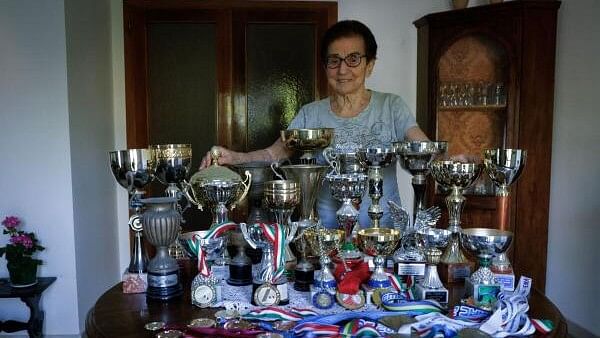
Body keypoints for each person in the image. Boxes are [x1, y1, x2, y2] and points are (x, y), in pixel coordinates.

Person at [200, 20, 429, 228]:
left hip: (385, 238)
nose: (342, 70)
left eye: (353, 59)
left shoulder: (390, 106)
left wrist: (451, 161)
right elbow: (273, 155)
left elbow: (422, 147)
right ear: (325, 66)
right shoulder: (311, 114)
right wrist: (233, 157)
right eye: (334, 60)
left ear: (369, 65)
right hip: (324, 242)